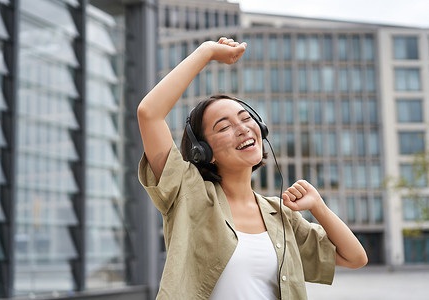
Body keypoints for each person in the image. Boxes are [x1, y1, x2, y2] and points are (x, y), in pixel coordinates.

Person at [137, 37, 368, 300]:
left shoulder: (281, 215)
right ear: (203, 152)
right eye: (223, 127)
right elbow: (149, 113)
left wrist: (319, 207)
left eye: (246, 118)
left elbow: (354, 257)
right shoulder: (187, 192)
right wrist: (207, 52)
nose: (243, 128)